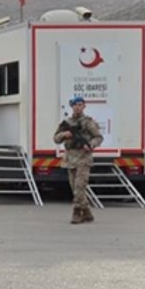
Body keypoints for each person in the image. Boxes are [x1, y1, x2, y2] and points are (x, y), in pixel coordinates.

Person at [54, 95, 103, 224]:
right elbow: (56, 138)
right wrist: (64, 134)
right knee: (73, 187)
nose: (77, 107)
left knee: (79, 187)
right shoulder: (67, 123)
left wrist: (91, 144)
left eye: (80, 104)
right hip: (70, 158)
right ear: (72, 106)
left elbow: (98, 137)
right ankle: (87, 212)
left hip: (83, 157)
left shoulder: (88, 122)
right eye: (75, 105)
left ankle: (77, 212)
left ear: (84, 106)